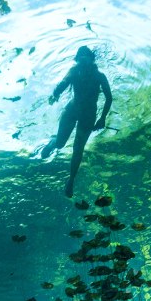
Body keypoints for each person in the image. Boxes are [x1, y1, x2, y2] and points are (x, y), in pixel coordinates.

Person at [40, 46, 113, 197]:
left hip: (88, 116)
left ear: (92, 61)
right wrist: (56, 93)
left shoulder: (100, 76)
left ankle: (71, 180)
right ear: (78, 61)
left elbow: (109, 97)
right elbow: (64, 82)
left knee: (78, 149)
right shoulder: (74, 71)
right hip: (72, 110)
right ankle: (53, 143)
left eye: (86, 60)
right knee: (60, 144)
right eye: (81, 60)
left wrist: (103, 118)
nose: (83, 63)